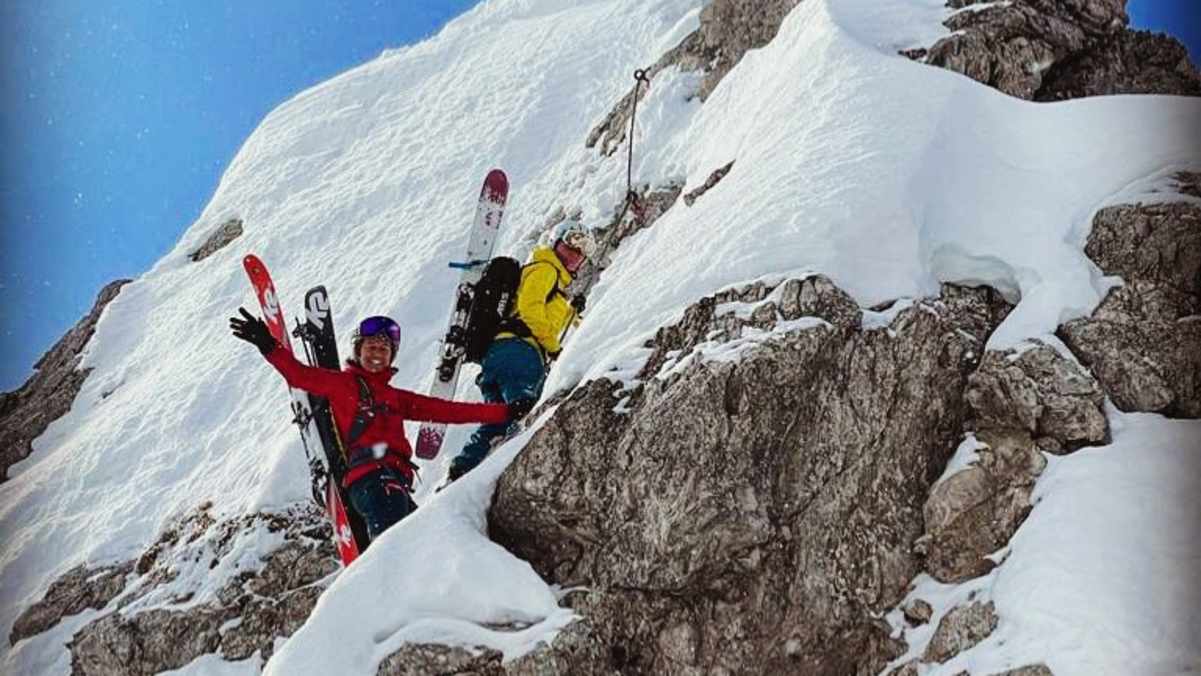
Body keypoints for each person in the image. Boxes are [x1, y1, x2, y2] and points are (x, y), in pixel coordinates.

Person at [229, 311, 533, 541]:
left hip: (395, 482)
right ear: (358, 351)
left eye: (384, 350)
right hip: (371, 479)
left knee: (424, 541)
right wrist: (267, 344)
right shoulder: (342, 383)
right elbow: (299, 376)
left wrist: (505, 411)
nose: (377, 353)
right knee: (398, 548)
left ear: (391, 358)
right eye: (371, 347)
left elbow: (449, 411)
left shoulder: (395, 397)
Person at [446, 218, 596, 483]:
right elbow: (530, 310)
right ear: (556, 243)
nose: (574, 254)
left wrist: (572, 312)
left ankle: (462, 471)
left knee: (499, 421)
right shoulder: (545, 269)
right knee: (523, 411)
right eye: (570, 245)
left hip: (499, 357)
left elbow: (544, 316)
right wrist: (555, 349)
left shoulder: (554, 286)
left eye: (580, 254)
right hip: (520, 354)